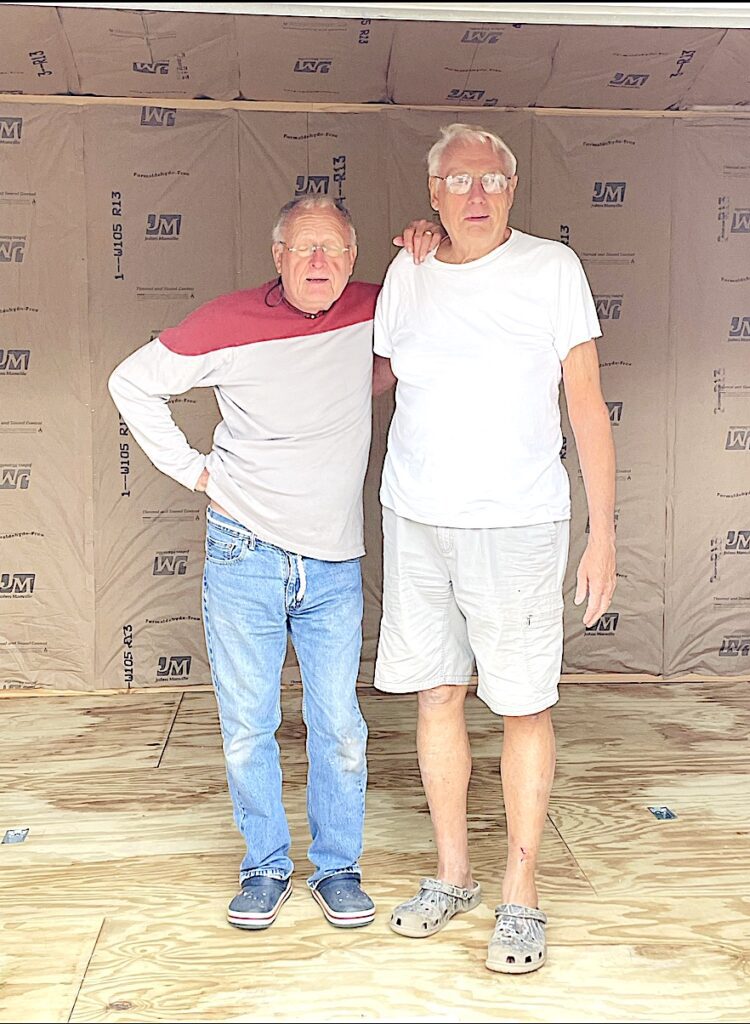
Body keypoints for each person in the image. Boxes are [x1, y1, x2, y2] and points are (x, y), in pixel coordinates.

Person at [108, 196, 439, 932]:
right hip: (243, 552)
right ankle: (263, 867)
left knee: (340, 725)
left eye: (334, 251)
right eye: (305, 250)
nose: (320, 264)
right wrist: (195, 472)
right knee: (247, 726)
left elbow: (437, 302)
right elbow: (131, 382)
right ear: (278, 256)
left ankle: (339, 869)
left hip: (332, 563)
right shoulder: (227, 323)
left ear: (354, 260)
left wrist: (429, 239)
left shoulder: (376, 308)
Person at [372, 124, 617, 974]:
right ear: (432, 193)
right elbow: (376, 375)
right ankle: (453, 876)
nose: (477, 196)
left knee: (522, 703)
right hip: (415, 518)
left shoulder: (553, 271)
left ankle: (522, 893)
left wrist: (603, 532)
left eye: (492, 181)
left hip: (517, 524)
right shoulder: (408, 272)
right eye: (459, 181)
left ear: (513, 191)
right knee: (437, 694)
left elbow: (586, 403)